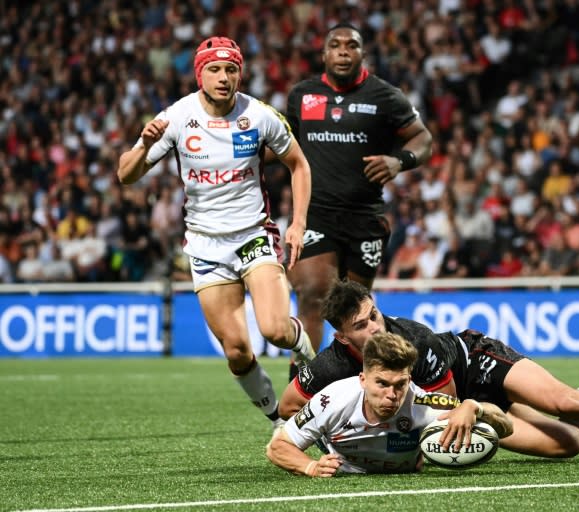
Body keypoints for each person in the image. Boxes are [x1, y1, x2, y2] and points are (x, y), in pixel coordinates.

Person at [279, 280, 579, 465]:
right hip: (458, 406)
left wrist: (466, 416)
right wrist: (320, 432)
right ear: (341, 337)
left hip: (475, 368)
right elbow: (287, 408)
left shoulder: (414, 340)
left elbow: (451, 405)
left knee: (567, 403)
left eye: (374, 314)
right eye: (362, 325)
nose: (376, 326)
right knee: (568, 445)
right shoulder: (333, 365)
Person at [117, 36, 316, 431]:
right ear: (200, 74)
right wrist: (144, 145)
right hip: (206, 245)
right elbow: (125, 174)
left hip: (253, 234)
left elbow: (300, 165)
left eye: (231, 69)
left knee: (276, 330)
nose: (224, 77)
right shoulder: (176, 117)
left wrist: (298, 223)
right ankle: (278, 418)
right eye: (214, 69)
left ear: (240, 72)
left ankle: (306, 350)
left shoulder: (259, 115)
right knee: (238, 352)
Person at [282, 23, 433, 364]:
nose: (343, 51)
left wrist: (399, 161)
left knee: (358, 310)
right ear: (324, 54)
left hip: (365, 216)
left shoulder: (384, 96)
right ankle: (300, 387)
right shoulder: (301, 96)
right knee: (313, 295)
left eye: (352, 45)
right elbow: (281, 145)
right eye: (335, 45)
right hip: (316, 212)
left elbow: (423, 139)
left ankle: (367, 382)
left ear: (363, 54)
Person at [267, 331, 513, 476]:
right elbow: (277, 447)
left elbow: (507, 428)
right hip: (345, 468)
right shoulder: (333, 399)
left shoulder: (423, 403)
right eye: (382, 384)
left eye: (400, 384)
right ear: (363, 380)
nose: (392, 394)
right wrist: (310, 467)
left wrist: (473, 406)